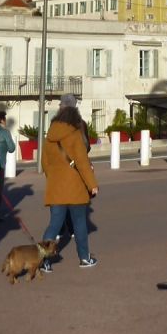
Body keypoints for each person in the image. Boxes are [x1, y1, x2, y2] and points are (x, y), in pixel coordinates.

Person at [41, 101, 99, 268]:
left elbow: (45, 164)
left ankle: (44, 260)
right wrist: (92, 184)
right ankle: (84, 258)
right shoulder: (74, 135)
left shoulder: (49, 138)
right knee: (80, 223)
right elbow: (82, 162)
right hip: (75, 187)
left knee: (54, 225)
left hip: (56, 187)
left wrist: (53, 178)